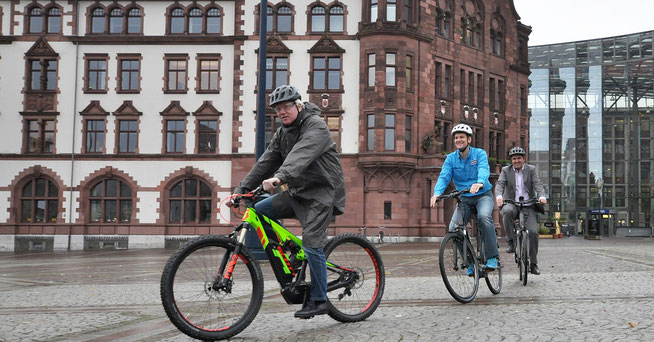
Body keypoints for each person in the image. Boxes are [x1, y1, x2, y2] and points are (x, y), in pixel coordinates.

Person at [234, 84, 345, 318]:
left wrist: (280, 177)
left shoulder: (316, 125)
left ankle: (319, 299)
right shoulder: (282, 133)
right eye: (277, 109)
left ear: (298, 105)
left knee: (313, 245)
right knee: (259, 210)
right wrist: (240, 190)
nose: (282, 112)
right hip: (296, 192)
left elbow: (301, 154)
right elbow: (266, 161)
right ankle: (290, 252)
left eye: (286, 106)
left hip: (321, 194)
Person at [430, 123, 499, 273]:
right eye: (456, 138)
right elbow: (444, 177)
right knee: (453, 228)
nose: (458, 140)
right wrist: (437, 193)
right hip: (465, 199)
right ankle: (470, 263)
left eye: (462, 137)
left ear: (469, 140)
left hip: (483, 195)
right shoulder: (450, 159)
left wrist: (480, 182)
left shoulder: (479, 154)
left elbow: (483, 169)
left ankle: (492, 257)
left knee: (484, 217)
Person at [495, 146, 547, 275]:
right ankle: (511, 242)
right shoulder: (505, 170)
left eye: (519, 158)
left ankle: (533, 264)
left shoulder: (531, 170)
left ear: (524, 159)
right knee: (506, 211)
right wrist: (499, 196)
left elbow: (537, 184)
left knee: (534, 233)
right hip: (512, 203)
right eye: (514, 159)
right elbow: (500, 184)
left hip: (528, 204)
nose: (516, 161)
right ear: (511, 160)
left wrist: (541, 196)